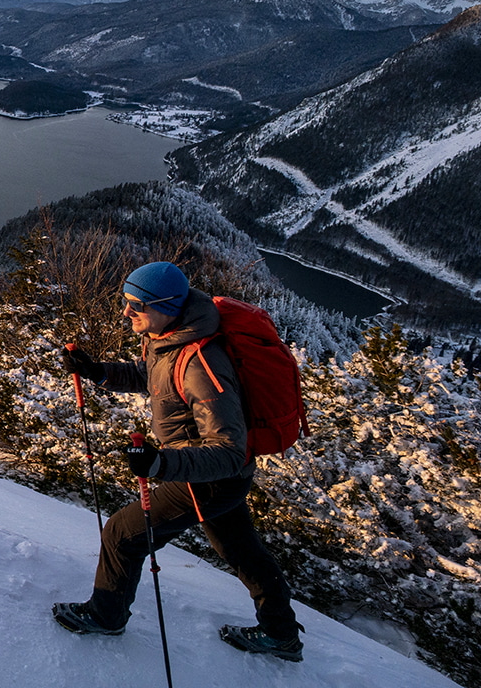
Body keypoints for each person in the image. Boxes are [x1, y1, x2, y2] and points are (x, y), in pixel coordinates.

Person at [50, 261, 304, 660]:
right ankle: (281, 633)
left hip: (209, 478)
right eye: (125, 301)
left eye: (136, 306)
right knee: (240, 549)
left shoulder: (202, 365)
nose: (126, 313)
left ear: (166, 306)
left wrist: (160, 464)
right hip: (221, 478)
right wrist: (98, 372)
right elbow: (152, 376)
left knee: (122, 534)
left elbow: (227, 449)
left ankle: (105, 615)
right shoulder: (168, 336)